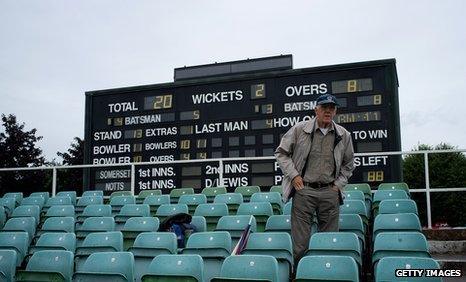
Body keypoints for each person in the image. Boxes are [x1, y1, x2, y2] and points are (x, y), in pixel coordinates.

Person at [275, 93, 355, 264]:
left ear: (335, 111)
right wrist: (294, 175)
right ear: (316, 110)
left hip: (330, 192)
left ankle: (324, 273)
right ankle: (301, 272)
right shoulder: (299, 129)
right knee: (300, 243)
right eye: (324, 107)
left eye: (331, 108)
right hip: (304, 191)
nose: (328, 111)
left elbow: (349, 164)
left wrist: (338, 185)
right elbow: (281, 153)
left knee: (329, 242)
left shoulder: (344, 134)